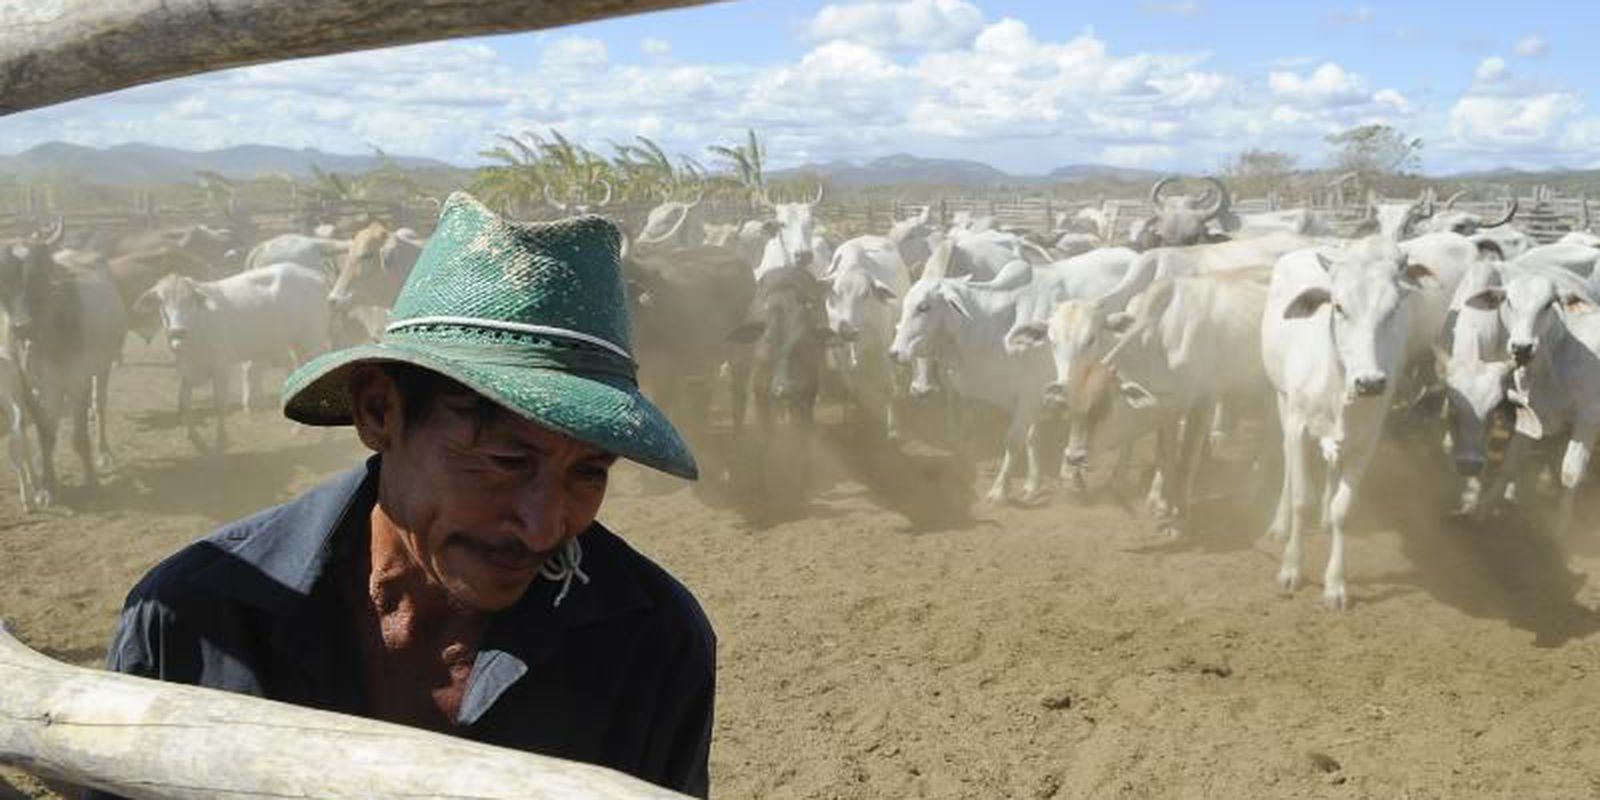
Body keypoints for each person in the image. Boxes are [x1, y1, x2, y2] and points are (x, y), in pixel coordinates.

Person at [88, 194, 715, 798]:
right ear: (379, 410)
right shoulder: (190, 621)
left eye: (588, 473)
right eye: (503, 461)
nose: (543, 525)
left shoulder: (651, 644)